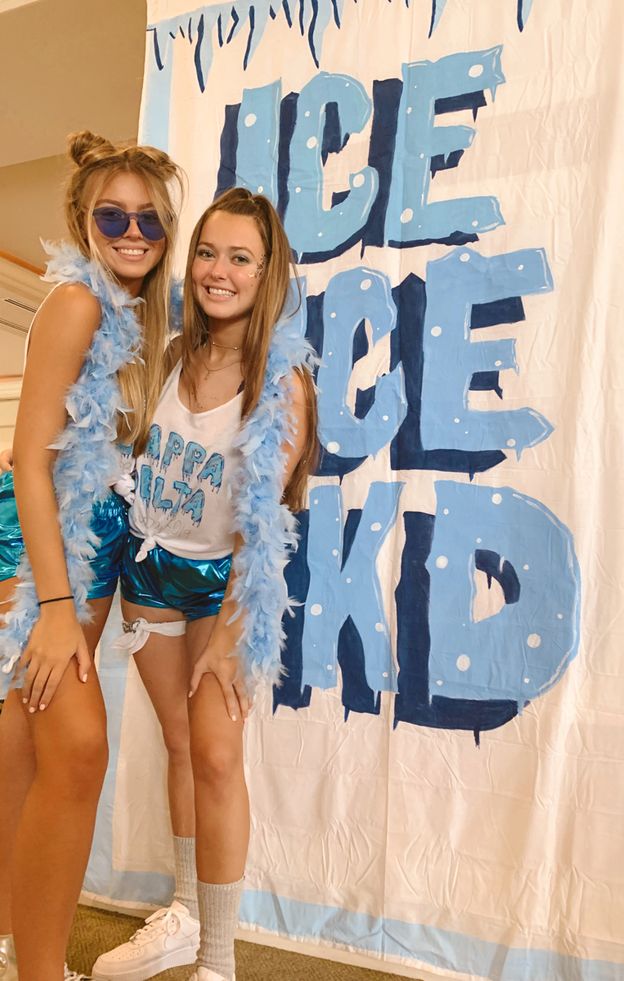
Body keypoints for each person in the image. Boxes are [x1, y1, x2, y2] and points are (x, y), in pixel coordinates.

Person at [90, 187, 317, 981]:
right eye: (209, 253)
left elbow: (261, 529)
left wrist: (227, 634)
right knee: (181, 746)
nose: (219, 271)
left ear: (268, 273)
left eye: (241, 258)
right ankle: (185, 914)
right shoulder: (168, 354)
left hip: (230, 588)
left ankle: (217, 963)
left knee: (218, 755)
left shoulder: (279, 383)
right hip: (151, 572)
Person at [0, 130, 182, 981]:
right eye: (114, 215)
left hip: (89, 550)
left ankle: (16, 951)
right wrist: (51, 605)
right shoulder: (77, 305)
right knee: (76, 750)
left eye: (149, 217)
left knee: (26, 756)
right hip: (41, 557)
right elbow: (31, 459)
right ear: (83, 221)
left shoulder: (139, 316)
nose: (133, 230)